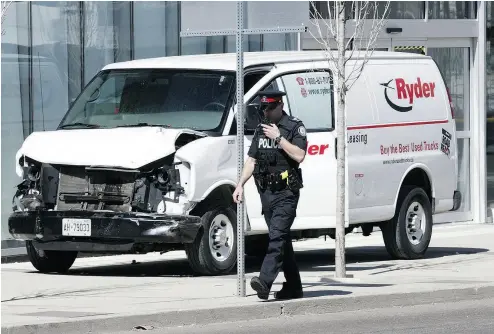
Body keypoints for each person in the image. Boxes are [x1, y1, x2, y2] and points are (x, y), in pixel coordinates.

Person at [232, 90, 308, 300]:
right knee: (282, 241)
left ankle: (264, 282)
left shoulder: (294, 126)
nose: (265, 111)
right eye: (263, 107)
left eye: (269, 107)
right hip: (266, 193)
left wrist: (279, 138)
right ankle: (294, 287)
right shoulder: (261, 129)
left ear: (280, 105)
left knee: (276, 239)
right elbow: (252, 161)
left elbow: (300, 155)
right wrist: (240, 185)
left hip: (286, 192)